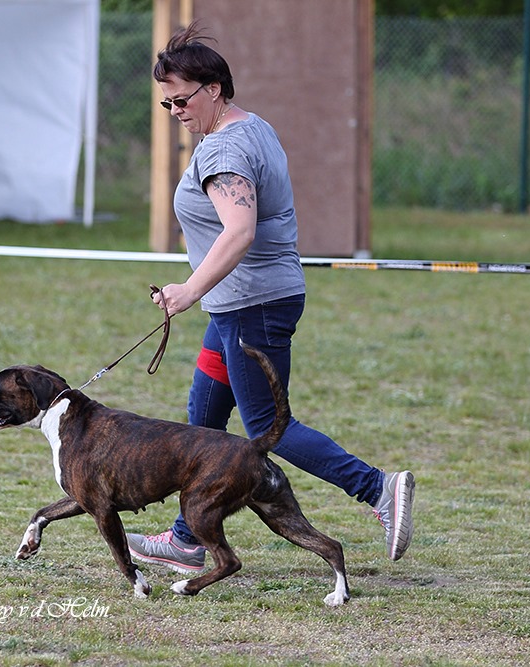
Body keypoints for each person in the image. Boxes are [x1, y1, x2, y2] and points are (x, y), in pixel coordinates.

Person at [127, 22, 415, 572]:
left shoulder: (225, 151)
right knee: (204, 416)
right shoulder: (251, 128)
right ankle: (189, 539)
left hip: (251, 307)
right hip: (239, 306)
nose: (176, 112)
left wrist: (189, 288)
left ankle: (377, 489)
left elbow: (239, 230)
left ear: (213, 87)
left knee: (265, 429)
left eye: (182, 99)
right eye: (167, 105)